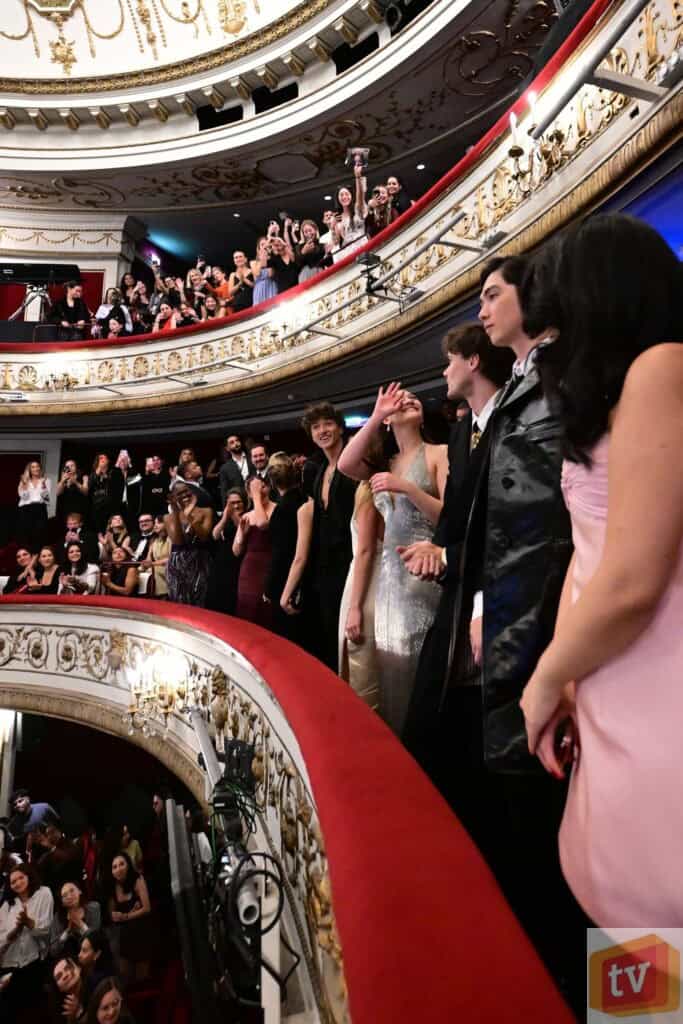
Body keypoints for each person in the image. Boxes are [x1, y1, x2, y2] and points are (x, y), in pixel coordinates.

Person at [401, 255, 578, 1006]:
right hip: (516, 630)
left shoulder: (566, 385)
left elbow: (554, 534)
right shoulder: (524, 394)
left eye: (491, 294)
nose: (481, 307)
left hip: (552, 638)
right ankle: (546, 982)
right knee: (535, 836)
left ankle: (597, 998)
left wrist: (554, 663)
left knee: (598, 861)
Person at [517, 214, 683, 928]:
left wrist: (545, 677)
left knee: (648, 910)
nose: (549, 339)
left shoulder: (663, 366)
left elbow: (633, 579)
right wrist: (568, 675)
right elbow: (590, 554)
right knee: (623, 924)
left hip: (655, 671)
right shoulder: (627, 387)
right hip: (609, 668)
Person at [402, 322, 513, 793]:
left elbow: (507, 523)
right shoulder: (463, 429)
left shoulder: (512, 421)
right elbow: (455, 515)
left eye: (450, 361)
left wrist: (448, 556)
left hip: (496, 591)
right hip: (459, 587)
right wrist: (436, 553)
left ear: (473, 361)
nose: (444, 371)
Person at [339, 386, 447, 733]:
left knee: (419, 667)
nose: (409, 401)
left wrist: (408, 489)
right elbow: (345, 463)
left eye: (415, 399)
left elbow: (450, 517)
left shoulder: (439, 453)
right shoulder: (384, 464)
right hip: (389, 581)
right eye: (402, 400)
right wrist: (376, 415)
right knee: (390, 669)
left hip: (425, 572)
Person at [299, 403, 357, 671]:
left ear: (340, 428)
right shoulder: (319, 470)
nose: (322, 430)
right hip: (325, 569)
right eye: (316, 427)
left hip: (353, 561)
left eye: (328, 424)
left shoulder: (355, 463)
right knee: (328, 638)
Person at [337, 439, 384, 709]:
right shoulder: (368, 488)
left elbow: (366, 551)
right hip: (368, 579)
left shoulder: (369, 491)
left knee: (361, 665)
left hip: (367, 585)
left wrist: (355, 606)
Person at [0, 863, 54, 1019]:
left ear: (29, 876)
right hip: (9, 964)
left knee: (32, 1012)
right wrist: (15, 931)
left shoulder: (44, 893)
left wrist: (28, 923)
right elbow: (1, 940)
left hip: (33, 962)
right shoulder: (7, 905)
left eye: (21, 878)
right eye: (13, 882)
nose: (18, 883)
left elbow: (46, 930)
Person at [262, 454, 306, 641]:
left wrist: (270, 588)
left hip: (288, 582)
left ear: (272, 482)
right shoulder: (305, 498)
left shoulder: (283, 509)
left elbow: (281, 553)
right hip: (307, 577)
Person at [234, 476, 277, 629]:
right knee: (247, 610)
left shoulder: (277, 510)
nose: (260, 491)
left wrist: (257, 498)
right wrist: (243, 534)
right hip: (249, 570)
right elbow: (236, 551)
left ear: (269, 488)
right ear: (249, 493)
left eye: (262, 487)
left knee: (267, 612)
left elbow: (263, 523)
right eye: (255, 489)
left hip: (270, 566)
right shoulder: (246, 516)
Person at [164, 481, 213, 606]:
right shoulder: (168, 518)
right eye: (179, 493)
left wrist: (189, 516)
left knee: (200, 601)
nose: (184, 495)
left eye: (186, 491)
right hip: (178, 564)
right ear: (173, 497)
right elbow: (178, 542)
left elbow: (203, 537)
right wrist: (176, 513)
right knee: (179, 604)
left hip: (200, 561)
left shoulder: (206, 511)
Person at [108, 852, 152, 981]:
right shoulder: (112, 887)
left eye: (122, 864)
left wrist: (126, 916)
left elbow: (147, 908)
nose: (118, 869)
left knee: (142, 978)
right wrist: (116, 916)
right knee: (125, 976)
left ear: (128, 865)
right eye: (114, 867)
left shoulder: (137, 879)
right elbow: (112, 915)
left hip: (142, 931)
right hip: (124, 935)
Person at [207, 488, 245, 615]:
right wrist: (225, 516)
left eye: (238, 502)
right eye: (232, 503)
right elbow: (215, 535)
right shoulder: (223, 518)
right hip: (221, 563)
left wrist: (236, 517)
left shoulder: (248, 516)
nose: (236, 506)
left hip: (238, 562)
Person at [47, 880, 101, 958]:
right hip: (68, 958)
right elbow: (53, 950)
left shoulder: (94, 907)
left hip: (92, 957)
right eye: (64, 895)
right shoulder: (57, 917)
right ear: (62, 902)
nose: (69, 897)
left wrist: (81, 925)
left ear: (79, 891)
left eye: (72, 891)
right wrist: (67, 932)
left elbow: (97, 941)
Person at [16, 459, 50, 551]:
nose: (36, 468)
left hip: (40, 509)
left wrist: (43, 485)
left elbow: (46, 499)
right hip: (26, 510)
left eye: (37, 466)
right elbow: (24, 497)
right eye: (33, 467)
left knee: (40, 535)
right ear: (29, 470)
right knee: (27, 535)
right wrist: (24, 484)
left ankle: (38, 555)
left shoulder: (46, 480)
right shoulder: (24, 481)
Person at [78, 930, 117, 1002]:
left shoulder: (97, 981)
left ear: (97, 954)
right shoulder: (88, 972)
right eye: (80, 950)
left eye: (84, 951)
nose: (79, 955)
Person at [140, 516, 171, 599]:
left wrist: (152, 564)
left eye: (159, 523)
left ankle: (163, 596)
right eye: (155, 523)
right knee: (137, 570)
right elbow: (148, 558)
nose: (155, 525)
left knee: (153, 571)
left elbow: (171, 559)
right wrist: (145, 563)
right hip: (155, 566)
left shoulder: (171, 539)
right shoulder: (154, 541)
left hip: (169, 568)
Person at [219, 435, 253, 504]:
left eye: (237, 440)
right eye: (232, 442)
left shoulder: (252, 458)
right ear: (227, 448)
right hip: (239, 503)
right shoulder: (225, 468)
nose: (236, 443)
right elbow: (224, 491)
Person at [52, 957, 87, 1023]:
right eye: (59, 976)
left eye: (68, 968)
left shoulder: (96, 983)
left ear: (79, 968)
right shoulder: (65, 1011)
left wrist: (79, 1012)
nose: (65, 975)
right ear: (59, 988)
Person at [56, 460, 89, 525]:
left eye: (72, 465)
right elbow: (57, 493)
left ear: (76, 467)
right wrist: (62, 481)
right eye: (67, 466)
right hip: (65, 509)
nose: (70, 468)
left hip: (79, 509)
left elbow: (86, 492)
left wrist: (75, 482)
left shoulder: (83, 477)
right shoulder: (63, 477)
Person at [89, 455, 116, 536]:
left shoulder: (112, 473)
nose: (102, 460)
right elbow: (90, 485)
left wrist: (106, 476)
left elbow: (114, 486)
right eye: (100, 458)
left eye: (104, 458)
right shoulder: (93, 474)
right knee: (97, 530)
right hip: (96, 507)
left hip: (109, 506)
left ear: (108, 461)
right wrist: (99, 469)